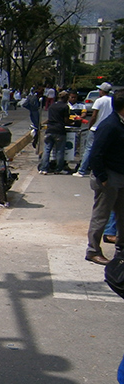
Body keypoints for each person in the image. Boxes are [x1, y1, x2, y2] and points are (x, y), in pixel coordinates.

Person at [84, 91, 124, 266]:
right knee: (101, 216)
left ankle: (121, 250)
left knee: (122, 216)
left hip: (120, 177)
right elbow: (95, 154)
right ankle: (93, 251)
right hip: (109, 177)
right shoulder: (110, 126)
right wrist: (103, 177)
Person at [75, 82, 115, 177]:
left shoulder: (99, 101)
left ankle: (82, 170)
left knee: (89, 149)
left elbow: (94, 116)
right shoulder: (112, 100)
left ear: (102, 91)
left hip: (95, 128)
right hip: (107, 128)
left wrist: (90, 126)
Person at [38, 90, 73, 175]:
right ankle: (58, 169)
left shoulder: (52, 106)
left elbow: (50, 119)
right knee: (59, 151)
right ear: (66, 98)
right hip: (59, 131)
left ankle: (43, 169)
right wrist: (72, 122)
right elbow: (66, 120)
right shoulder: (65, 106)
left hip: (50, 130)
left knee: (46, 150)